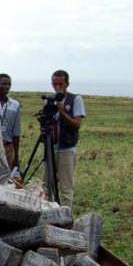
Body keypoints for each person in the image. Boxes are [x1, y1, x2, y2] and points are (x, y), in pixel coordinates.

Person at [46, 69, 86, 209]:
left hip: (67, 148)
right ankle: (48, 213)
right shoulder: (50, 100)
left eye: (60, 84)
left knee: (66, 187)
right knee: (47, 185)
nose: (57, 87)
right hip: (51, 147)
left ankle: (66, 217)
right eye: (54, 84)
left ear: (67, 83)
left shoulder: (75, 99)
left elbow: (77, 124)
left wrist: (62, 113)